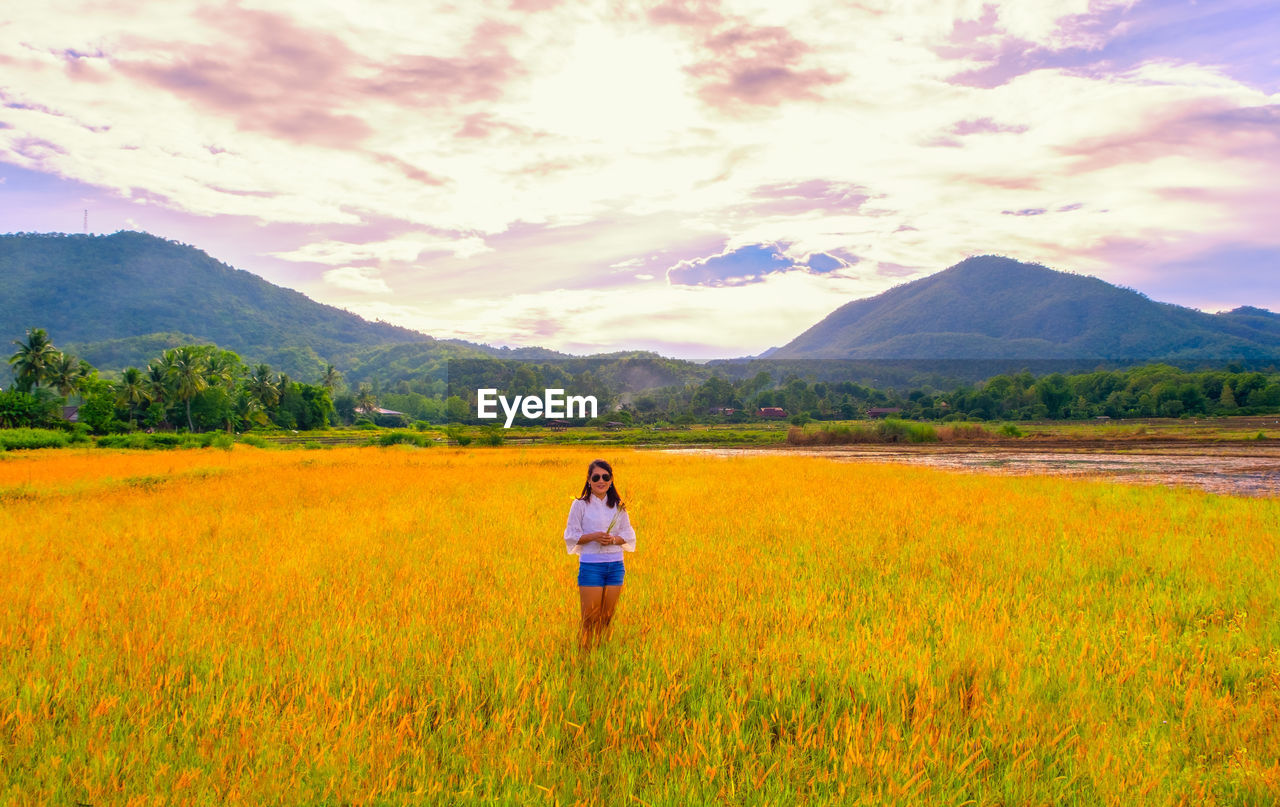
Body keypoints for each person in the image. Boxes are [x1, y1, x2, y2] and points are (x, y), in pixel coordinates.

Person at [563, 459, 636, 648]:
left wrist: (612, 540)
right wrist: (594, 537)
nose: (601, 481)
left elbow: (628, 534)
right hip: (591, 567)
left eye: (605, 477)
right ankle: (584, 658)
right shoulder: (579, 505)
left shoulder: (618, 505)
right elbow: (571, 535)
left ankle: (601, 655)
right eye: (596, 477)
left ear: (611, 480)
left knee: (606, 618)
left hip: (616, 567)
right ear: (589, 480)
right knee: (589, 618)